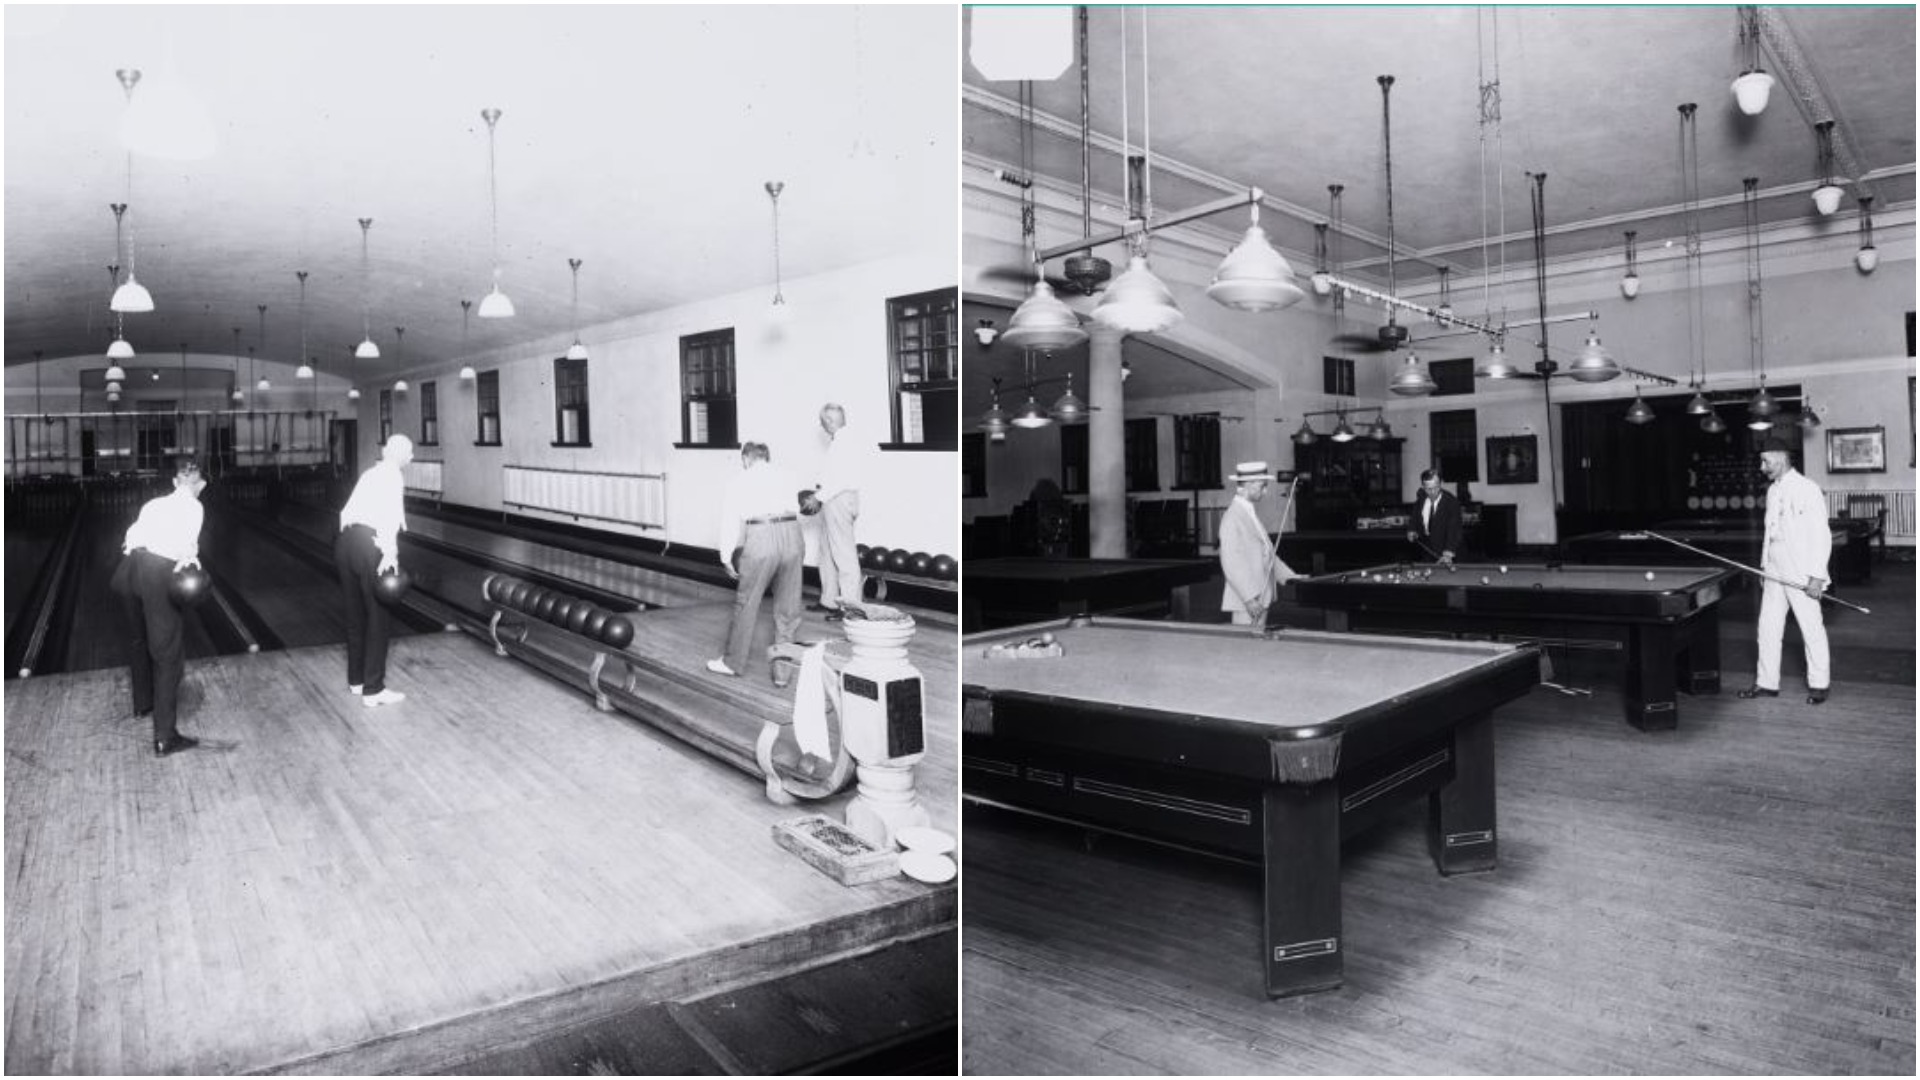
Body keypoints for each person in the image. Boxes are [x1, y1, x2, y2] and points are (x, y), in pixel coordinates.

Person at [110, 457, 208, 757]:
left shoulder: (153, 504)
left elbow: (131, 537)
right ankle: (165, 737)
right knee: (168, 656)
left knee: (139, 640)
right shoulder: (195, 506)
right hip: (156, 572)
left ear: (175, 482)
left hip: (125, 573)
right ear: (200, 485)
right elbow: (186, 553)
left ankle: (144, 704)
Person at [1740, 437, 1832, 705]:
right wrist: (1764, 567)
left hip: (1800, 570)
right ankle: (1767, 683)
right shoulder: (1772, 491)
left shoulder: (1808, 489)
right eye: (1762, 461)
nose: (1762, 466)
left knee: (1810, 627)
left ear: (1780, 458)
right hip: (1774, 570)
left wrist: (1817, 576)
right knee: (1767, 627)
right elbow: (1769, 533)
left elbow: (1821, 536)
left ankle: (1819, 684)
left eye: (1765, 461)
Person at [709, 442, 806, 677]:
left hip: (762, 535)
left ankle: (733, 664)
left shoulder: (738, 481)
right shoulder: (788, 475)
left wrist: (726, 557)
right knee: (788, 608)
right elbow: (798, 507)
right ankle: (783, 672)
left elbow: (730, 522)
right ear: (767, 458)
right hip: (792, 534)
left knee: (747, 602)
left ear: (746, 459)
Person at [336, 433, 412, 708]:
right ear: (399, 454)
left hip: (345, 542)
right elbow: (389, 516)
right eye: (410, 453)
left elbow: (345, 513)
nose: (412, 458)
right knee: (379, 615)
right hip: (371, 544)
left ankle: (356, 681)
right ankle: (374, 689)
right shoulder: (393, 475)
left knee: (355, 614)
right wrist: (389, 553)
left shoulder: (370, 473)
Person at [1218, 461, 1298, 628]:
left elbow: (1268, 554)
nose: (1265, 490)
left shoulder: (1249, 513)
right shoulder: (1232, 517)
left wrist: (1292, 577)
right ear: (1248, 484)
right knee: (1246, 649)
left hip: (1261, 597)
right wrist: (1249, 598)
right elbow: (1231, 563)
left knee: (1257, 647)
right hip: (1247, 602)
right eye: (1262, 486)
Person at [807, 403, 864, 622]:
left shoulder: (845, 443)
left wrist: (817, 497)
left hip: (840, 499)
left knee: (844, 554)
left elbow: (840, 479)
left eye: (823, 423)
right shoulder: (839, 442)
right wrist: (820, 492)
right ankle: (829, 600)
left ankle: (853, 609)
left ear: (830, 421)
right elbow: (832, 475)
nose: (822, 428)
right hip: (832, 498)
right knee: (827, 551)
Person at [1407, 468, 1463, 566]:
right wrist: (1412, 529)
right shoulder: (1421, 497)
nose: (1432, 492)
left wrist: (1448, 552)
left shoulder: (1452, 502)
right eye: (1428, 488)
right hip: (1426, 550)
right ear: (1423, 487)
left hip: (1447, 552)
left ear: (1440, 484)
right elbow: (1415, 516)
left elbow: (1454, 529)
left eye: (1436, 487)